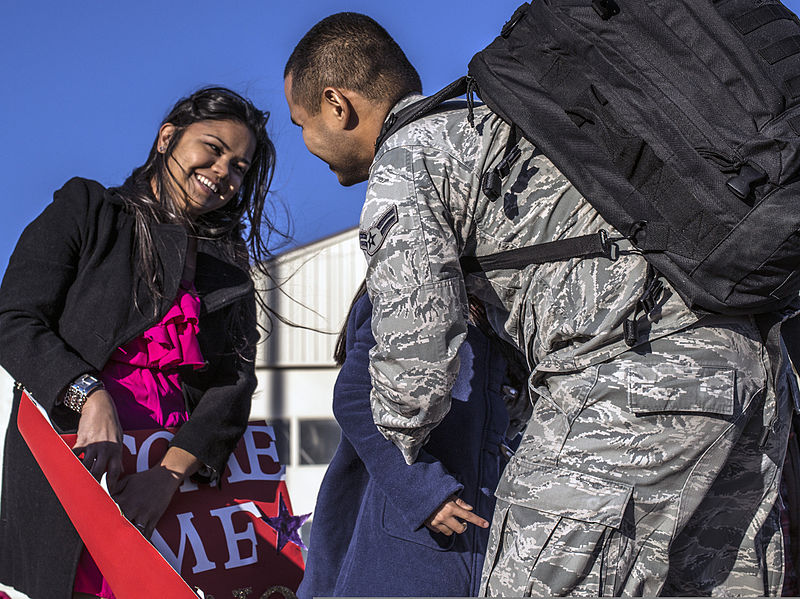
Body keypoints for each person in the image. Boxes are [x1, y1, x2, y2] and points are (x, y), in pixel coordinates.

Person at [284, 12, 794, 596]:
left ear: (336, 104)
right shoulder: (521, 130)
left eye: (302, 123)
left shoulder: (411, 153)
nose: (307, 144)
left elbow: (416, 363)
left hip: (626, 385)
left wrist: (400, 463)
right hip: (750, 371)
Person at [0, 87, 279, 599]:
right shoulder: (87, 209)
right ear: (167, 137)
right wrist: (89, 394)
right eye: (212, 148)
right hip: (72, 463)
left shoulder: (228, 263)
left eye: (239, 166)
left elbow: (234, 383)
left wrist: (170, 476)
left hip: (173, 487)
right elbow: (13, 320)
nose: (222, 171)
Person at [298, 283, 526, 597]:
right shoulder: (410, 291)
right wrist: (424, 492)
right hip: (394, 555)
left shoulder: (505, 310)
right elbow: (356, 399)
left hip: (472, 549)